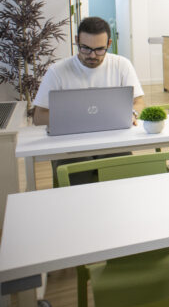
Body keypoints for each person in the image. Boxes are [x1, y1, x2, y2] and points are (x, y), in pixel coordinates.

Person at [32, 16, 145, 183]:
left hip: (113, 142)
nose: (92, 55)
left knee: (123, 174)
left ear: (109, 44)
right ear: (77, 41)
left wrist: (133, 114)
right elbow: (38, 117)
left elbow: (139, 102)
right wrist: (81, 118)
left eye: (99, 49)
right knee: (78, 170)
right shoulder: (57, 71)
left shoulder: (122, 65)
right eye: (85, 48)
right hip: (70, 147)